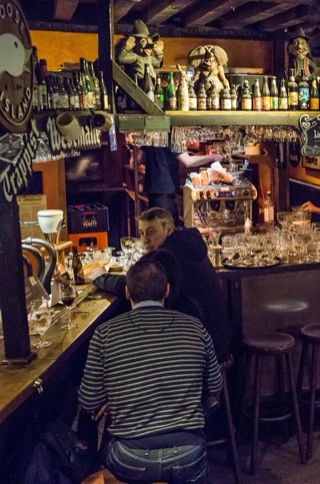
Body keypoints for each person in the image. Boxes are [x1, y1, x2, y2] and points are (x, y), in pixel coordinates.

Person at [78, 260, 223, 484]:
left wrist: (116, 393)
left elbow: (88, 402)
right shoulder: (195, 327)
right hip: (188, 453)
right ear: (167, 290)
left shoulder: (104, 334)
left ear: (127, 292)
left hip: (129, 458)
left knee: (101, 447)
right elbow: (215, 387)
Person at [88, 207, 233, 360]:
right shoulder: (187, 243)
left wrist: (101, 277)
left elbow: (135, 285)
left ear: (168, 229)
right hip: (219, 335)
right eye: (142, 233)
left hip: (201, 347)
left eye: (151, 232)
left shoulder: (167, 256)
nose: (145, 240)